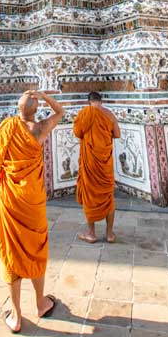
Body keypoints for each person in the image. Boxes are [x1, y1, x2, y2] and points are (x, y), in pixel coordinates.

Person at [0, 89, 65, 334]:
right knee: (36, 247)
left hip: (11, 198)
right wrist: (44, 96)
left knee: (11, 252)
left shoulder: (7, 127)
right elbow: (61, 112)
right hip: (32, 199)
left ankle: (16, 314)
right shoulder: (40, 128)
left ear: (18, 109)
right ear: (35, 109)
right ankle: (41, 302)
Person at [74, 90, 121, 243]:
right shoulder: (109, 114)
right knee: (108, 197)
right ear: (101, 101)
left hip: (90, 165)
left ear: (89, 102)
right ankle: (109, 234)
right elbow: (117, 134)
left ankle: (91, 234)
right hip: (105, 163)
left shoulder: (84, 113)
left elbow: (77, 132)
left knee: (90, 196)